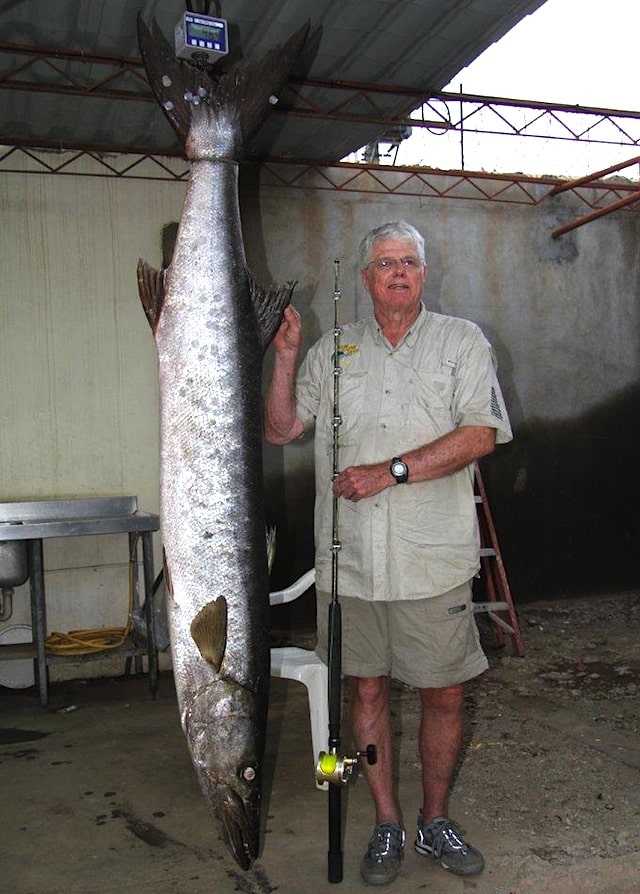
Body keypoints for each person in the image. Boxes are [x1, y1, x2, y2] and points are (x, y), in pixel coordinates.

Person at [264, 220, 512, 886]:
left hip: (433, 560)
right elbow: (282, 427)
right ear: (367, 278)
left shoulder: (461, 342)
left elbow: (481, 435)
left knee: (443, 695)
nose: (397, 271)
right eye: (384, 263)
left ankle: (434, 820)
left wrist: (390, 471)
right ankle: (386, 823)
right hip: (352, 567)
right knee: (365, 688)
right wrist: (286, 353)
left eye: (409, 261)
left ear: (424, 274)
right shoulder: (333, 349)